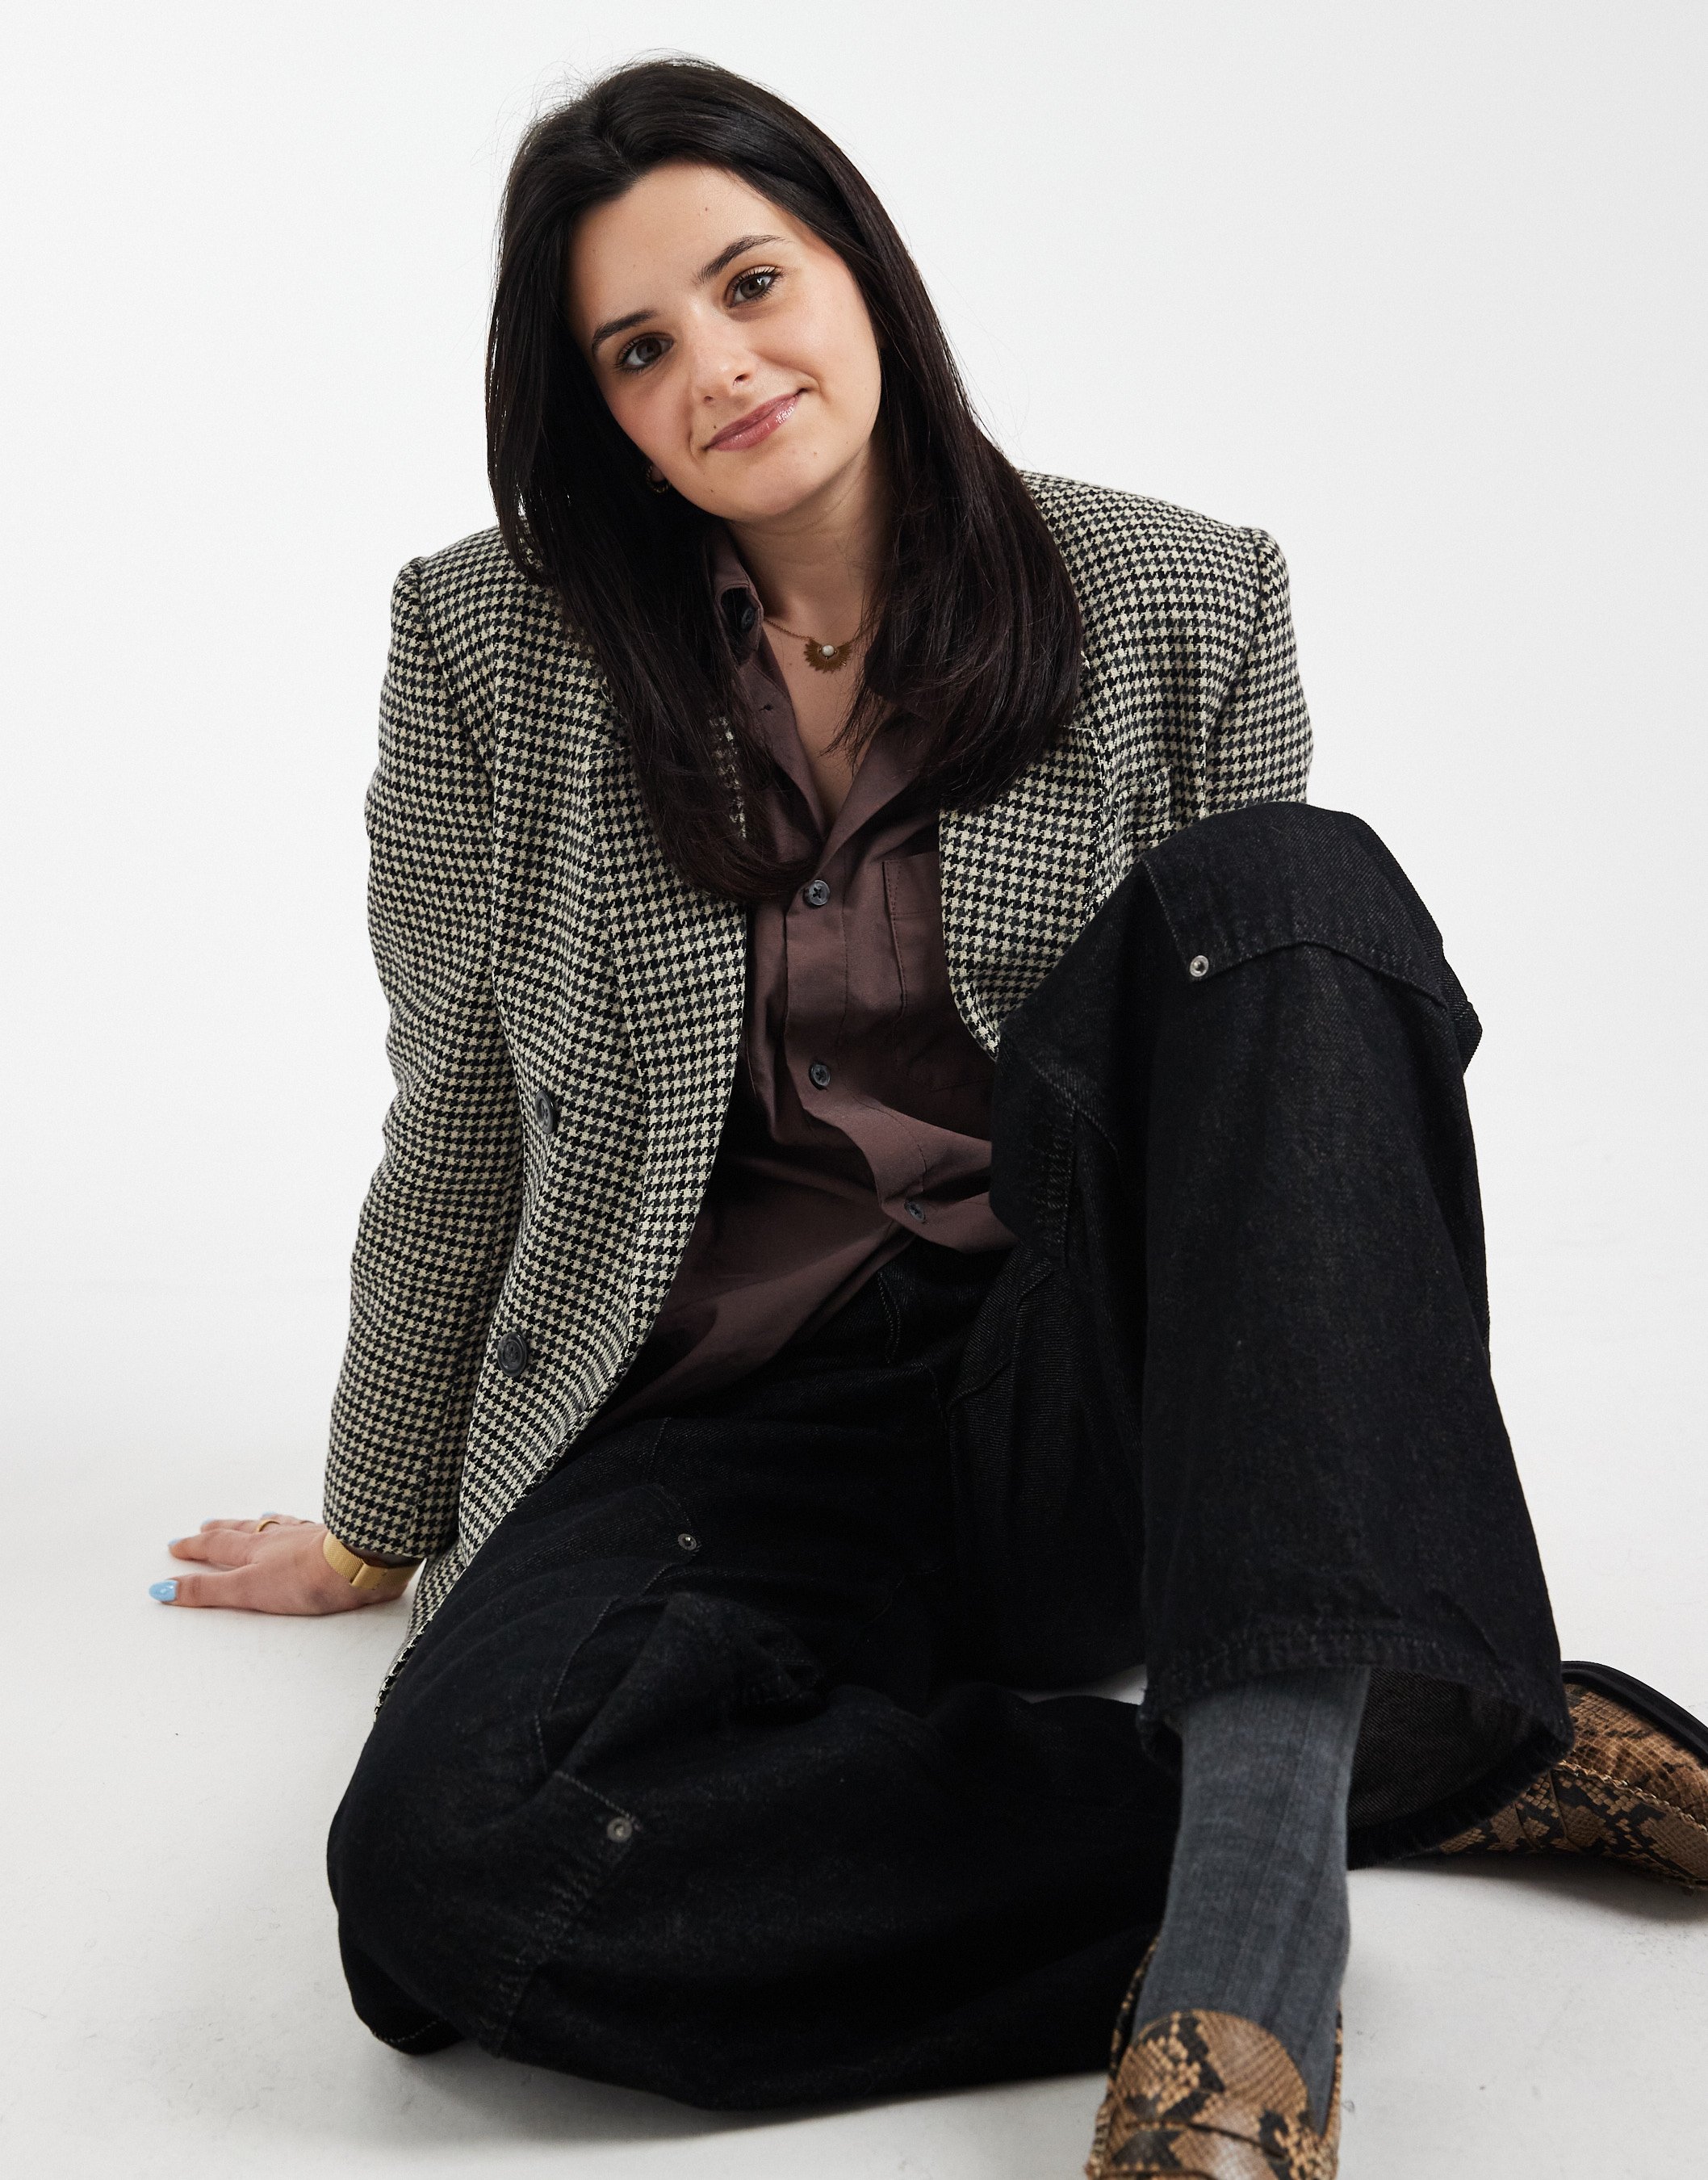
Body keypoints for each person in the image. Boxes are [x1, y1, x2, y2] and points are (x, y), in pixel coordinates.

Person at [152, 58, 1708, 2178]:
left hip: (1074, 1389)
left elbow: (1277, 1106)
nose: (717, 363)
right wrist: (378, 1503)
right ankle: (1372, 1766)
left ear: (856, 267)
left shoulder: (1184, 595)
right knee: (454, 1880)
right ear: (592, 403)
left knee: (1288, 896)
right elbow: (459, 1106)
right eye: (637, 345)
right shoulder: (482, 644)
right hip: (713, 1424)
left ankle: (1243, 1990)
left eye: (749, 281)